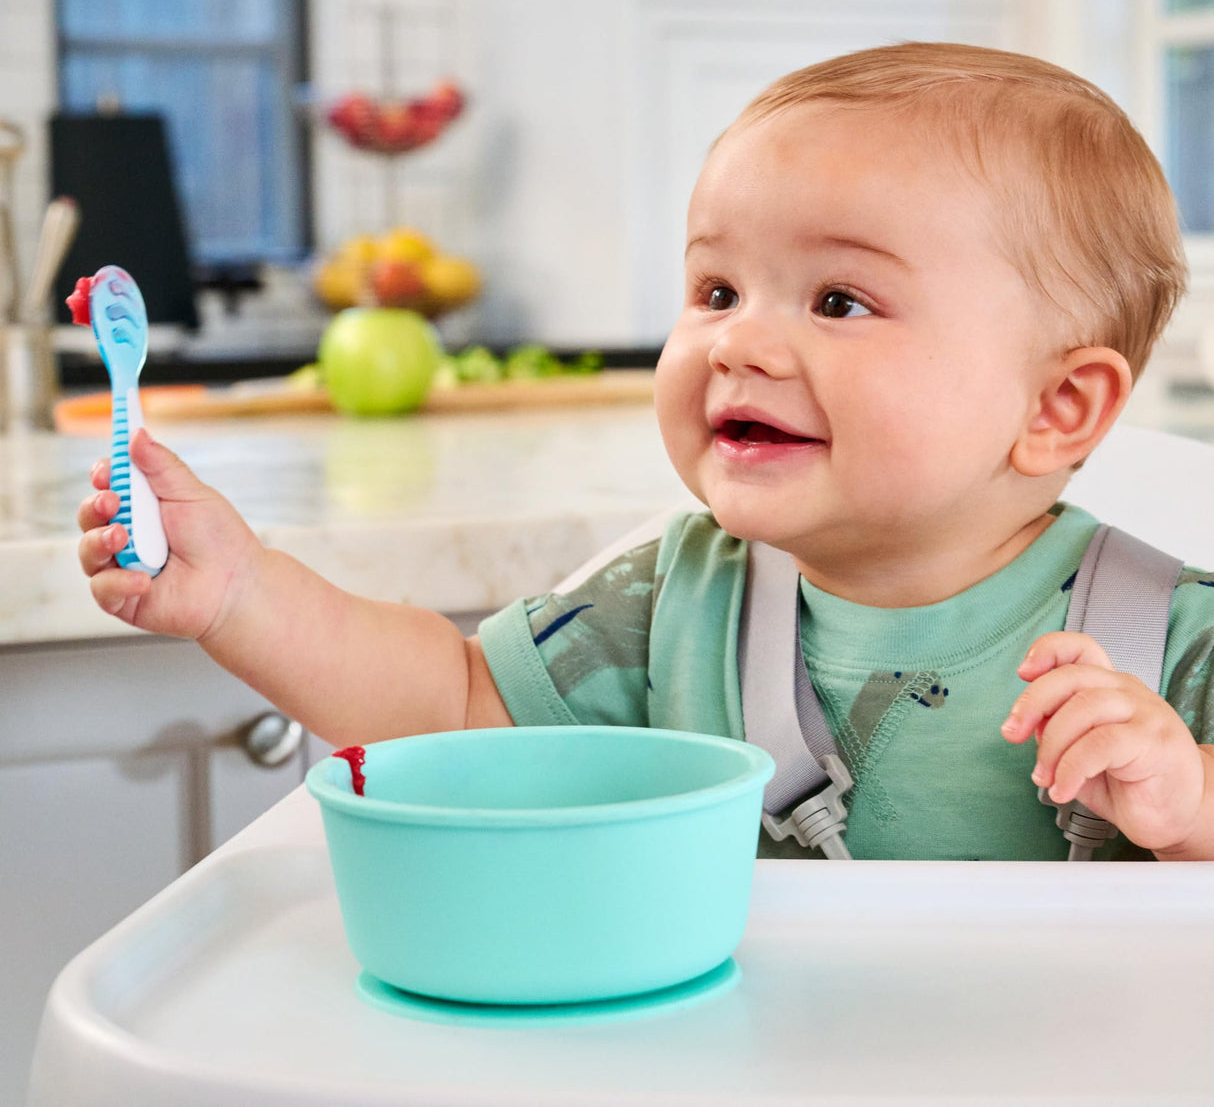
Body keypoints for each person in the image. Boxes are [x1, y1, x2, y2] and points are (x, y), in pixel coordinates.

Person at [77, 42, 1214, 860]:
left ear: (1056, 407)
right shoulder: (675, 603)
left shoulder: (1173, 641)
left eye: (837, 299)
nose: (737, 339)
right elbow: (452, 697)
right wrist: (240, 591)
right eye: (715, 287)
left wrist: (1189, 805)